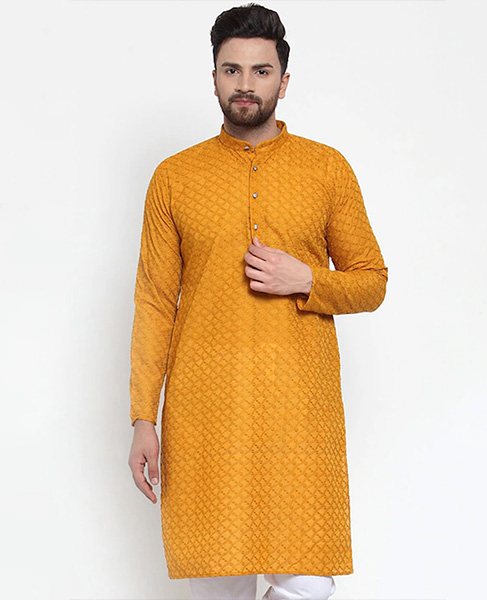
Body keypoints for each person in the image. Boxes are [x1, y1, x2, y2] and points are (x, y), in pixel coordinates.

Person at [127, 3, 388, 599]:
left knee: (309, 582)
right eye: (232, 70)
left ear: (284, 81)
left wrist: (307, 280)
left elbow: (372, 281)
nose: (246, 84)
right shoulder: (175, 177)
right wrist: (144, 418)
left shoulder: (326, 169)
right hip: (205, 411)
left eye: (261, 71)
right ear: (214, 77)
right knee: (218, 582)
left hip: (300, 409)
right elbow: (155, 302)